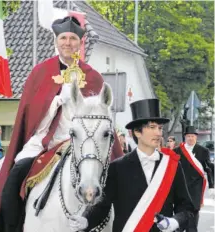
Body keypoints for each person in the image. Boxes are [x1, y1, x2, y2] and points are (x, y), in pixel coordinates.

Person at [0, 16, 123, 232]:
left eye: (72, 39)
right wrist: (57, 100)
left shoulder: (93, 77)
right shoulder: (40, 72)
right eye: (63, 38)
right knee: (13, 178)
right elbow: (31, 114)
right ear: (56, 41)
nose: (67, 43)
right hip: (45, 141)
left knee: (116, 179)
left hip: (82, 141)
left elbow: (101, 118)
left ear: (79, 43)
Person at [69, 99, 195, 232]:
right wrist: (86, 220)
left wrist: (175, 221)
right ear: (137, 132)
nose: (158, 133)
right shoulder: (117, 168)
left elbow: (187, 207)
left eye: (160, 128)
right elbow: (102, 206)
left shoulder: (172, 166)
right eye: (152, 127)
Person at [173, 126, 215, 232]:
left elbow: (209, 168)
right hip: (181, 186)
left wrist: (211, 186)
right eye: (188, 136)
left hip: (196, 187)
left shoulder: (203, 151)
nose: (190, 138)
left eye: (192, 136)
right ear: (185, 137)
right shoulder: (177, 151)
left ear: (196, 137)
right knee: (180, 212)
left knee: (193, 213)